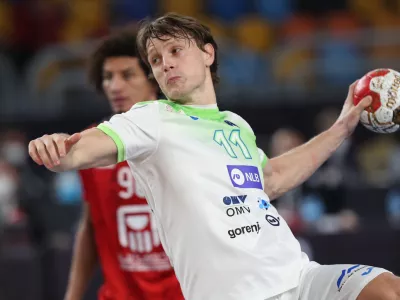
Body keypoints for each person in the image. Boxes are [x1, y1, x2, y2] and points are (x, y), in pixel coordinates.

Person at [29, 13, 400, 300]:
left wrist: (340, 129)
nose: (165, 64)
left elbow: (270, 179)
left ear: (208, 53)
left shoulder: (235, 124)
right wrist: (58, 149)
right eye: (156, 60)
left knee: (388, 289)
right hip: (235, 294)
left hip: (299, 278)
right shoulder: (151, 120)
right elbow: (82, 150)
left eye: (175, 51)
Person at [63, 30, 184, 300]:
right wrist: (72, 295)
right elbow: (92, 225)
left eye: (127, 75)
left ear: (154, 79)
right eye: (108, 77)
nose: (115, 86)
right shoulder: (88, 145)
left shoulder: (185, 134)